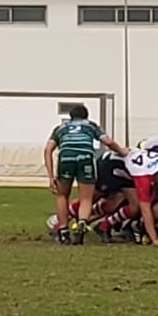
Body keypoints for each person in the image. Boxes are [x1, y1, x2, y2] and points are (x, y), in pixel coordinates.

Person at [43, 104, 123, 245]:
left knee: (62, 195)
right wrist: (121, 151)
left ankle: (63, 231)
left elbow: (48, 149)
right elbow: (108, 141)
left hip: (66, 158)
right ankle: (81, 224)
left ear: (71, 117)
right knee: (86, 198)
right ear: (86, 116)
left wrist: (50, 177)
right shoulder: (90, 126)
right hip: (85, 158)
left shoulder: (60, 128)